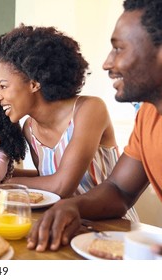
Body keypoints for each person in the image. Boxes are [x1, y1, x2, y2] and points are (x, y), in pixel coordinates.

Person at [27, 0, 162, 253]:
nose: (107, 64)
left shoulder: (90, 109)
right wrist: (73, 206)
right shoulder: (148, 115)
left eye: (119, 49)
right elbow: (119, 189)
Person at [0, 24, 138, 221]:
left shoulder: (89, 109)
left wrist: (2, 180)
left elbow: (61, 186)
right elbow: (46, 178)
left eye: (3, 86)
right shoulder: (30, 128)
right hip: (65, 223)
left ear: (34, 83)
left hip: (113, 226)